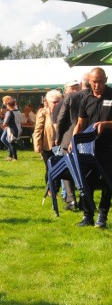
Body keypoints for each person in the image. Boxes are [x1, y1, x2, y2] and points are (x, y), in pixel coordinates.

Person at [73, 67, 112, 228]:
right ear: (89, 81)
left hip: (109, 148)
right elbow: (81, 123)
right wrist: (73, 141)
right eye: (94, 82)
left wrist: (107, 124)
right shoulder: (85, 99)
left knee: (108, 182)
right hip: (89, 148)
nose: (97, 85)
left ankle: (102, 215)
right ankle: (87, 215)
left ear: (106, 80)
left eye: (101, 82)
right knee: (87, 180)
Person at [57, 76, 89, 211]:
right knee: (86, 170)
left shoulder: (71, 97)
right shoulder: (95, 96)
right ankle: (84, 199)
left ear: (81, 84)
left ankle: (71, 200)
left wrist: (58, 138)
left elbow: (61, 119)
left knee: (67, 170)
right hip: (89, 137)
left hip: (69, 137)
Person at [33, 90, 61, 190]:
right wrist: (37, 145)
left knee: (60, 168)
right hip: (47, 145)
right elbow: (38, 129)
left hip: (61, 145)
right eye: (54, 102)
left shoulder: (64, 111)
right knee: (50, 168)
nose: (57, 104)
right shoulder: (43, 112)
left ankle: (57, 189)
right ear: (48, 102)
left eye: (59, 101)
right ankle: (51, 190)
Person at [1, 97, 22, 161]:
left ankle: (15, 157)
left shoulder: (9, 113)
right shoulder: (18, 111)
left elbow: (6, 123)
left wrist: (3, 125)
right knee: (12, 142)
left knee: (11, 143)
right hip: (18, 128)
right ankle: (12, 156)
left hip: (12, 129)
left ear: (8, 105)